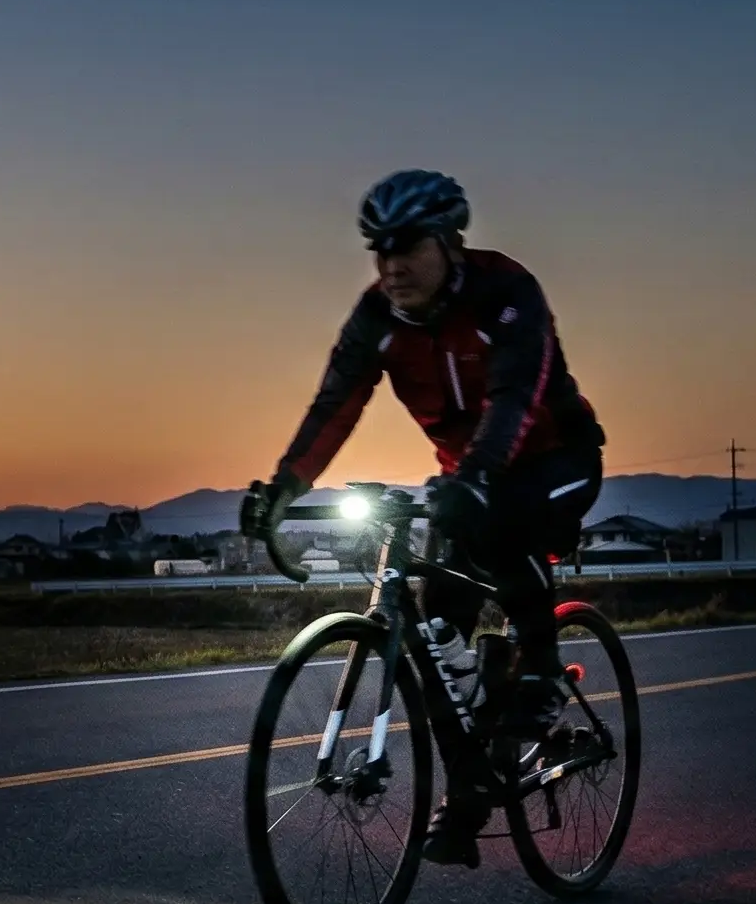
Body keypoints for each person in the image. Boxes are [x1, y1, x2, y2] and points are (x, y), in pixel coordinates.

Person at [239, 170, 606, 866]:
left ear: (448, 242)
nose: (392, 266)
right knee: (437, 628)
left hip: (556, 459)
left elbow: (515, 397)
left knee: (501, 524)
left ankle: (543, 675)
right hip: (465, 477)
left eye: (407, 248)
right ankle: (470, 792)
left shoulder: (506, 293)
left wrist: (474, 478)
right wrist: (283, 489)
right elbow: (335, 405)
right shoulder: (377, 316)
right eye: (379, 251)